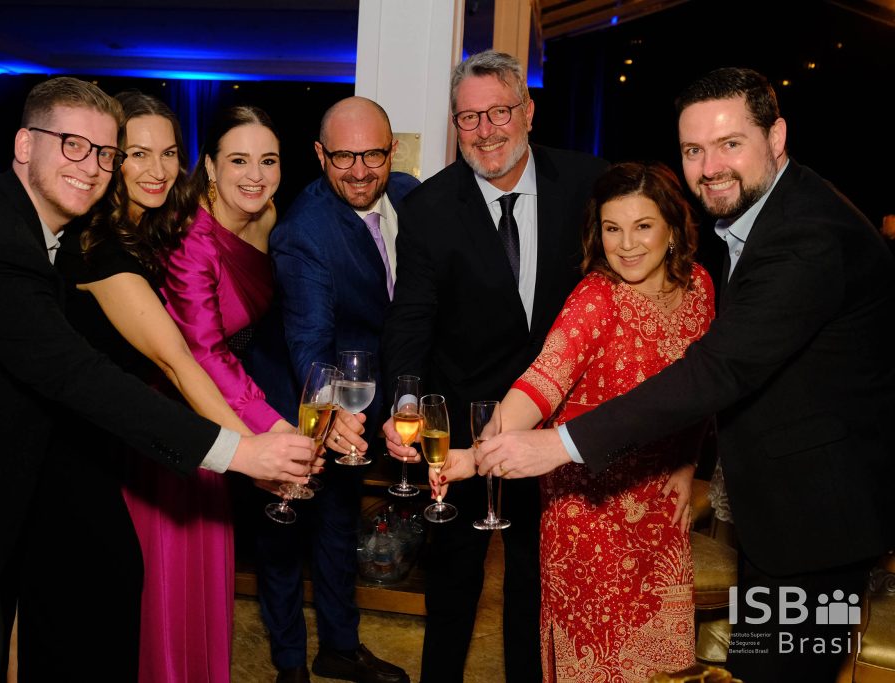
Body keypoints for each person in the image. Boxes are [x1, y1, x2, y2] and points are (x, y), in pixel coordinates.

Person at [0, 77, 315, 682]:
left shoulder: (11, 209)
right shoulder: (4, 238)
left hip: (8, 471)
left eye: (105, 152)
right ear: (24, 144)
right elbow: (88, 373)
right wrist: (240, 452)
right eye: (74, 146)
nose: (93, 166)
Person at [476, 67, 895, 682]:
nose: (710, 166)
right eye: (694, 149)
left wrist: (561, 444)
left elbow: (717, 371)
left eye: (730, 143)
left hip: (818, 523)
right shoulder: (759, 221)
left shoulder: (805, 235)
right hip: (783, 518)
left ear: (777, 136)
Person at [381, 50, 607, 683]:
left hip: (556, 430)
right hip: (462, 432)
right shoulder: (428, 208)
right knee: (453, 588)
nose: (485, 131)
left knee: (538, 586)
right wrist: (406, 401)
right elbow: (410, 318)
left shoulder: (589, 184)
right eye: (468, 117)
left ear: (528, 111)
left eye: (499, 112)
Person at [438, 161, 712, 681]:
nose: (626, 245)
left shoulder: (699, 288)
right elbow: (540, 383)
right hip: (587, 511)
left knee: (663, 663)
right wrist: (476, 456)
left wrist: (687, 463)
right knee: (599, 663)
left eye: (643, 226)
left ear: (673, 228)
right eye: (612, 228)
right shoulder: (596, 298)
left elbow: (704, 389)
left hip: (659, 504)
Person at [246, 96, 419, 683]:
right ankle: (289, 663)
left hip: (362, 393)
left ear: (392, 152)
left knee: (340, 522)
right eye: (344, 156)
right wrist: (331, 409)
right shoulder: (305, 232)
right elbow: (310, 340)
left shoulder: (409, 194)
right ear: (320, 155)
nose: (360, 171)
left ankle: (340, 649)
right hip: (298, 394)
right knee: (284, 531)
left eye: (373, 155)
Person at [126, 105, 291, 683]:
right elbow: (203, 350)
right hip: (175, 418)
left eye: (268, 160)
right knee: (171, 582)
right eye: (238, 160)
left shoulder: (266, 216)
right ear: (210, 168)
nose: (256, 175)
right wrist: (270, 431)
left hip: (222, 407)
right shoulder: (191, 237)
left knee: (208, 574)